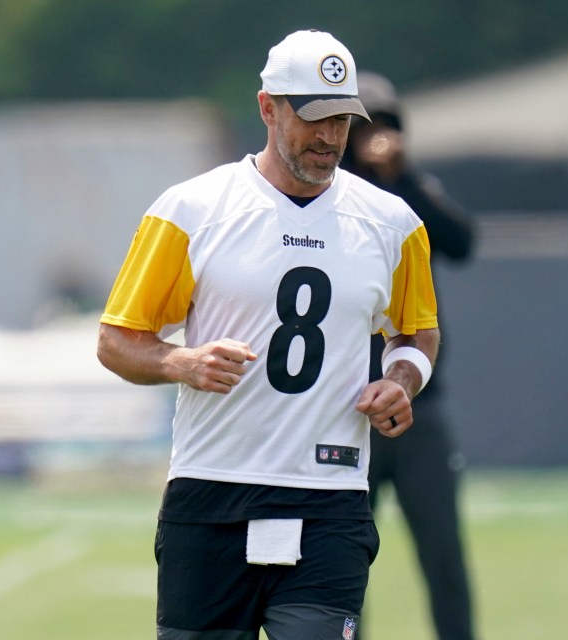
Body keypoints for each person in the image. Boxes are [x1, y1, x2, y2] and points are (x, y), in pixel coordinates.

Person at [97, 29, 440, 640]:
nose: (330, 136)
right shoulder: (191, 210)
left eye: (341, 119)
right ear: (267, 107)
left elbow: (416, 333)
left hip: (329, 495)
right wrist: (181, 362)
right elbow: (116, 341)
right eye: (313, 117)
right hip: (212, 489)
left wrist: (401, 379)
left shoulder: (392, 223)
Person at [341, 72, 476, 640]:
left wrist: (403, 176)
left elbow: (462, 241)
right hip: (348, 407)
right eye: (366, 127)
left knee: (443, 551)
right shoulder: (334, 200)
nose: (378, 138)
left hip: (420, 400)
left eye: (388, 125)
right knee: (344, 558)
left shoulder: (410, 192)